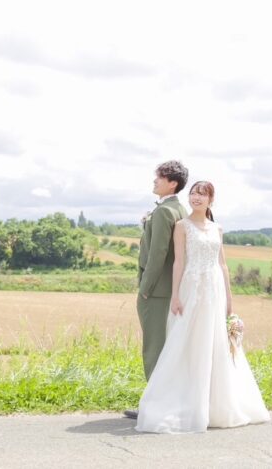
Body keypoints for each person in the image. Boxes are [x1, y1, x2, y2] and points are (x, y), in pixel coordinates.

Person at [135, 180, 270, 433]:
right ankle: (183, 402)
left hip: (214, 289)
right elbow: (178, 263)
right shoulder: (181, 226)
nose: (196, 198)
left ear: (211, 200)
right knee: (186, 340)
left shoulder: (217, 228)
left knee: (214, 342)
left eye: (202, 194)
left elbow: (223, 265)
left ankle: (214, 404)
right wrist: (176, 295)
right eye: (194, 193)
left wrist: (229, 299)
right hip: (191, 287)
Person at [124, 160, 189, 420]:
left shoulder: (164, 212)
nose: (154, 181)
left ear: (172, 183)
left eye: (159, 177)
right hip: (171, 289)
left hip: (157, 290)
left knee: (154, 349)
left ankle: (153, 407)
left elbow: (158, 253)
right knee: (168, 348)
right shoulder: (180, 209)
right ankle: (168, 402)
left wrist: (145, 288)